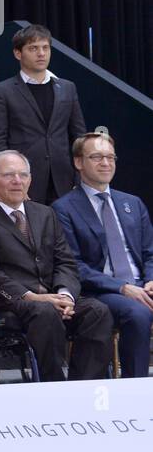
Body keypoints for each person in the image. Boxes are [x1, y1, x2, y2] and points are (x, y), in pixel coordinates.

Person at [0, 150, 113, 381]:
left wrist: (65, 295)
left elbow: (66, 262)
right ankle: (53, 385)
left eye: (23, 175)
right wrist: (32, 297)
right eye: (9, 175)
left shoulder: (45, 213)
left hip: (52, 297)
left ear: (31, 179)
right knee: (45, 312)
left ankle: (84, 387)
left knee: (97, 311)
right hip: (9, 301)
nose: (17, 181)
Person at [53, 132, 153, 378]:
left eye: (110, 157)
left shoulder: (132, 203)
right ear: (79, 162)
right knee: (138, 313)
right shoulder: (63, 208)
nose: (106, 163)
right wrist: (122, 288)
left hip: (142, 286)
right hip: (102, 291)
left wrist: (150, 280)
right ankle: (135, 389)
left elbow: (150, 253)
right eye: (96, 157)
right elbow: (74, 264)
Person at [0, 24, 87, 203]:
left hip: (64, 179)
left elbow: (78, 137)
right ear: (18, 53)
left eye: (45, 48)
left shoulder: (67, 88)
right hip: (24, 181)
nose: (41, 53)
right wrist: (11, 182)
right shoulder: (2, 91)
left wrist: (79, 177)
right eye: (33, 48)